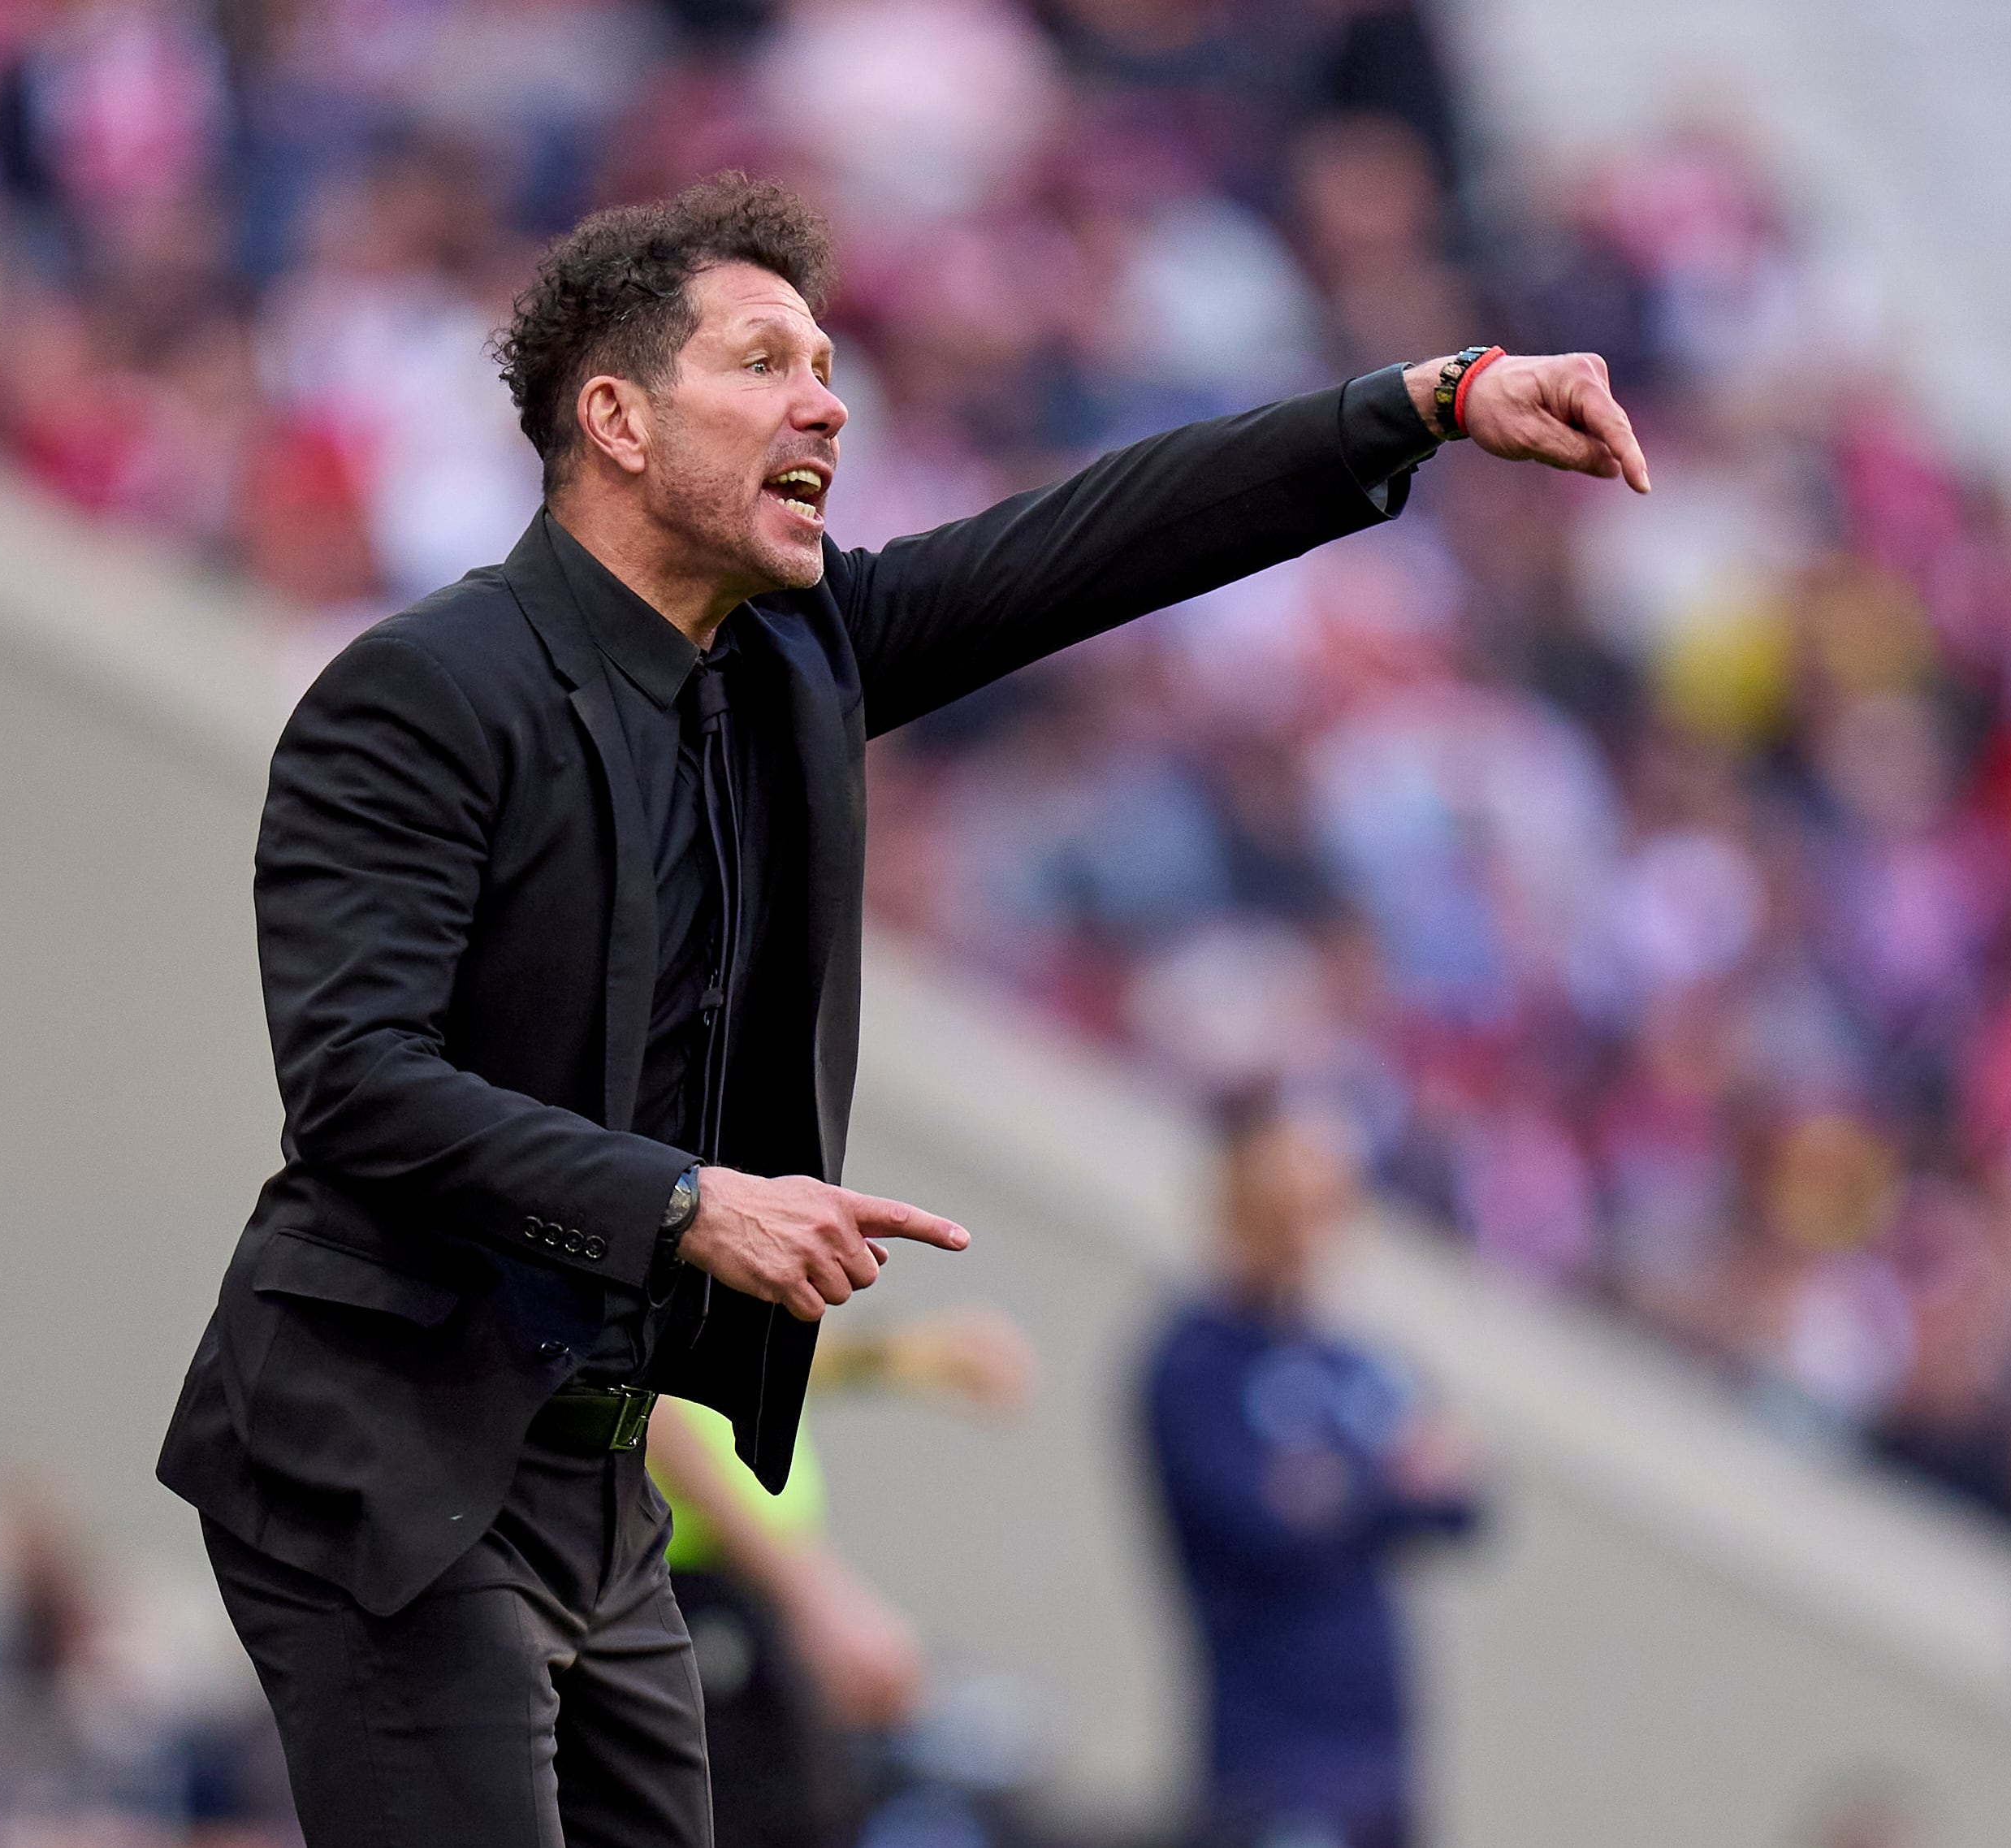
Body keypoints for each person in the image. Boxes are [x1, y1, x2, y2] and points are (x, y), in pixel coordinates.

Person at [153, 171, 1648, 1848]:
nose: (825, 399)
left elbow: (1095, 540)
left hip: (592, 1475)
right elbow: (354, 1086)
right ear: (615, 418)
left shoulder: (796, 655)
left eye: (828, 362)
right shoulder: (421, 693)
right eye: (764, 360)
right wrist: (685, 1201)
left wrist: (1424, 401)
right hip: (374, 1456)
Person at [1143, 1091, 1481, 1848]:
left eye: (1324, 1206)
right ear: (1234, 1201)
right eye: (1285, 1203)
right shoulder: (1196, 1361)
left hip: (1380, 1761)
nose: (1304, 1231)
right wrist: (1385, 1483)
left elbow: (1465, 1498)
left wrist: (1346, 1488)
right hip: (1270, 1758)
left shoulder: (1348, 1359)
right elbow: (1265, 1523)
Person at [646, 1308, 1036, 1848]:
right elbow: (647, 1382)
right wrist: (813, 1594)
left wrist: (910, 1355)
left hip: (732, 1591)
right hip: (686, 1593)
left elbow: (722, 1355)